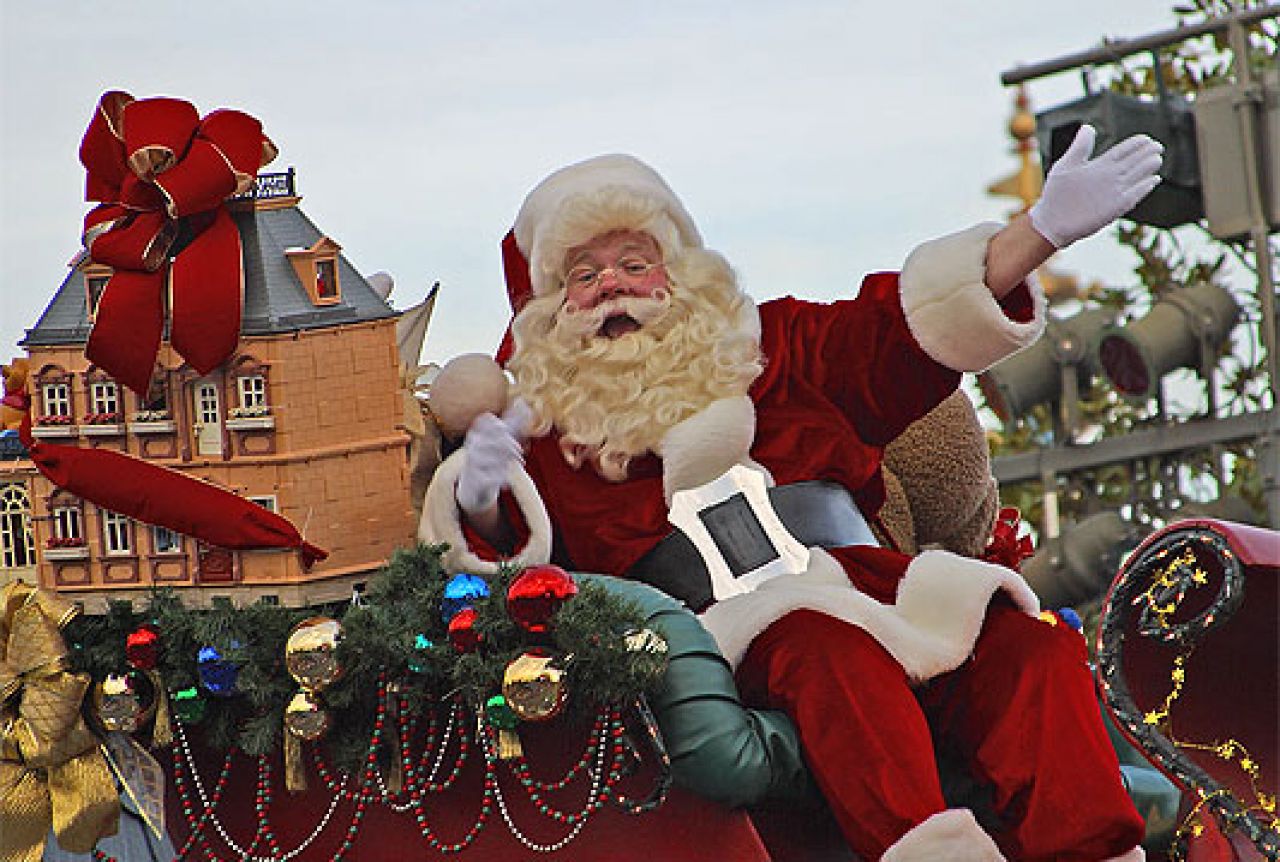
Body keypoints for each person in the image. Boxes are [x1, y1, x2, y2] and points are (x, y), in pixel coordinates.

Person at [426, 126, 1162, 861]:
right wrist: (486, 496)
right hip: (728, 636)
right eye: (583, 276)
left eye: (633, 262)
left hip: (879, 587)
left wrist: (1035, 236)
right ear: (553, 308)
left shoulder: (775, 347)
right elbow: (506, 576)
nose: (611, 286)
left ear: (677, 275)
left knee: (1024, 649)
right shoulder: (546, 433)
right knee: (828, 655)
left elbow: (899, 332)